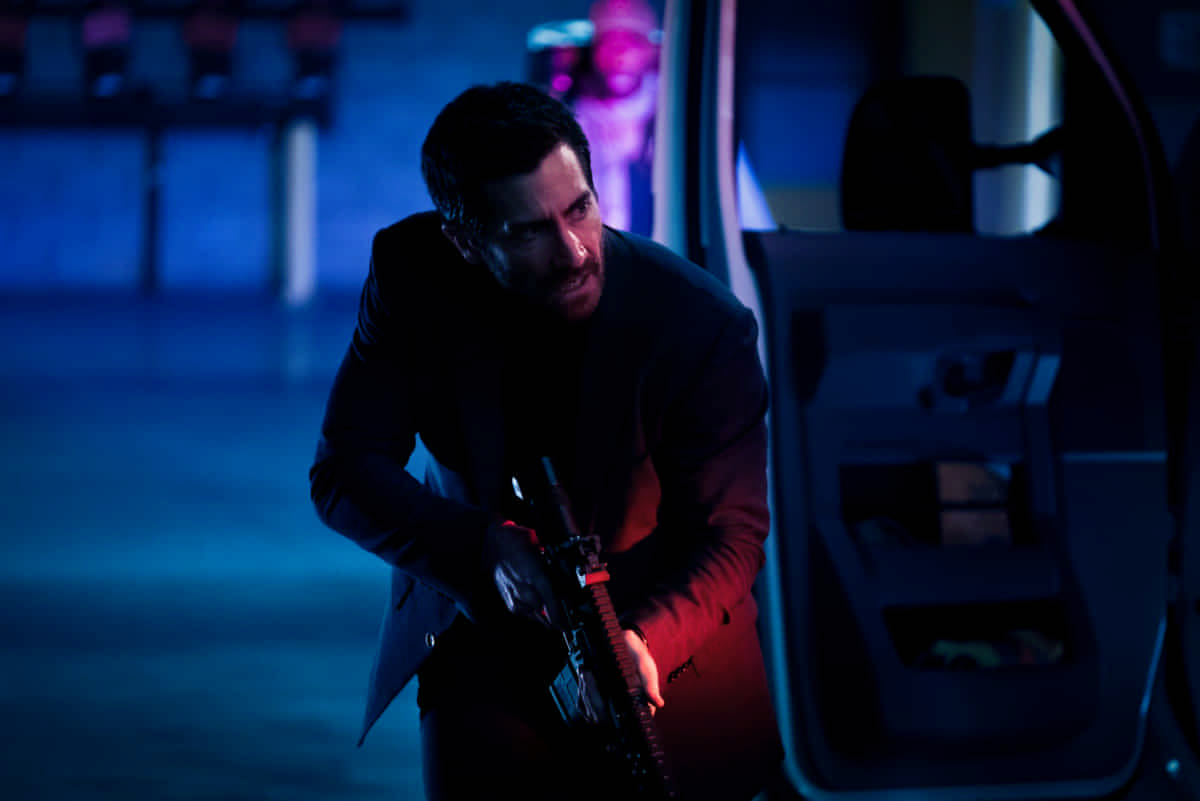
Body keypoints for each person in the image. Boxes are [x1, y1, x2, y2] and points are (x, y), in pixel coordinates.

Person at [308, 80, 782, 801]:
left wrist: (640, 643)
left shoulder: (700, 325)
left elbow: (732, 534)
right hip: (483, 630)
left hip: (665, 648)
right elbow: (344, 470)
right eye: (528, 231)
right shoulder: (413, 274)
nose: (573, 251)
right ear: (464, 240)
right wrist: (481, 546)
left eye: (580, 208)